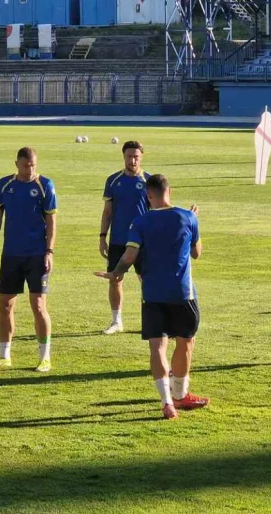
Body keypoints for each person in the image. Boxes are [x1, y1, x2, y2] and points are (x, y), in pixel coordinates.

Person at [96, 174, 208, 420]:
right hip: (182, 293)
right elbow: (197, 253)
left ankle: (167, 402)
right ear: (170, 190)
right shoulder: (187, 217)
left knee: (157, 346)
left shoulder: (140, 221)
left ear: (148, 195)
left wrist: (115, 274)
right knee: (185, 342)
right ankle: (180, 393)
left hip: (152, 293)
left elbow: (128, 257)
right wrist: (192, 224)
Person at [0, 146, 56, 372]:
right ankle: (4, 355)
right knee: (5, 304)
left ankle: (44, 356)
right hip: (11, 255)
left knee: (38, 305)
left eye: (33, 165)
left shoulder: (45, 185)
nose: (30, 169)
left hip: (37, 255)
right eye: (26, 165)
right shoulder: (5, 185)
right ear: (16, 164)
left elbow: (52, 222)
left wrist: (49, 251)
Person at [98, 140, 150, 335]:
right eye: (129, 156)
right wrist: (103, 237)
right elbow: (107, 212)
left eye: (136, 156)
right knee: (115, 278)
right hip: (118, 239)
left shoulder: (149, 181)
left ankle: (150, 321)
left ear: (141, 157)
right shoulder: (113, 180)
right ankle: (116, 321)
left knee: (146, 280)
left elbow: (157, 212)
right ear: (124, 157)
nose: (133, 160)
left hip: (143, 242)